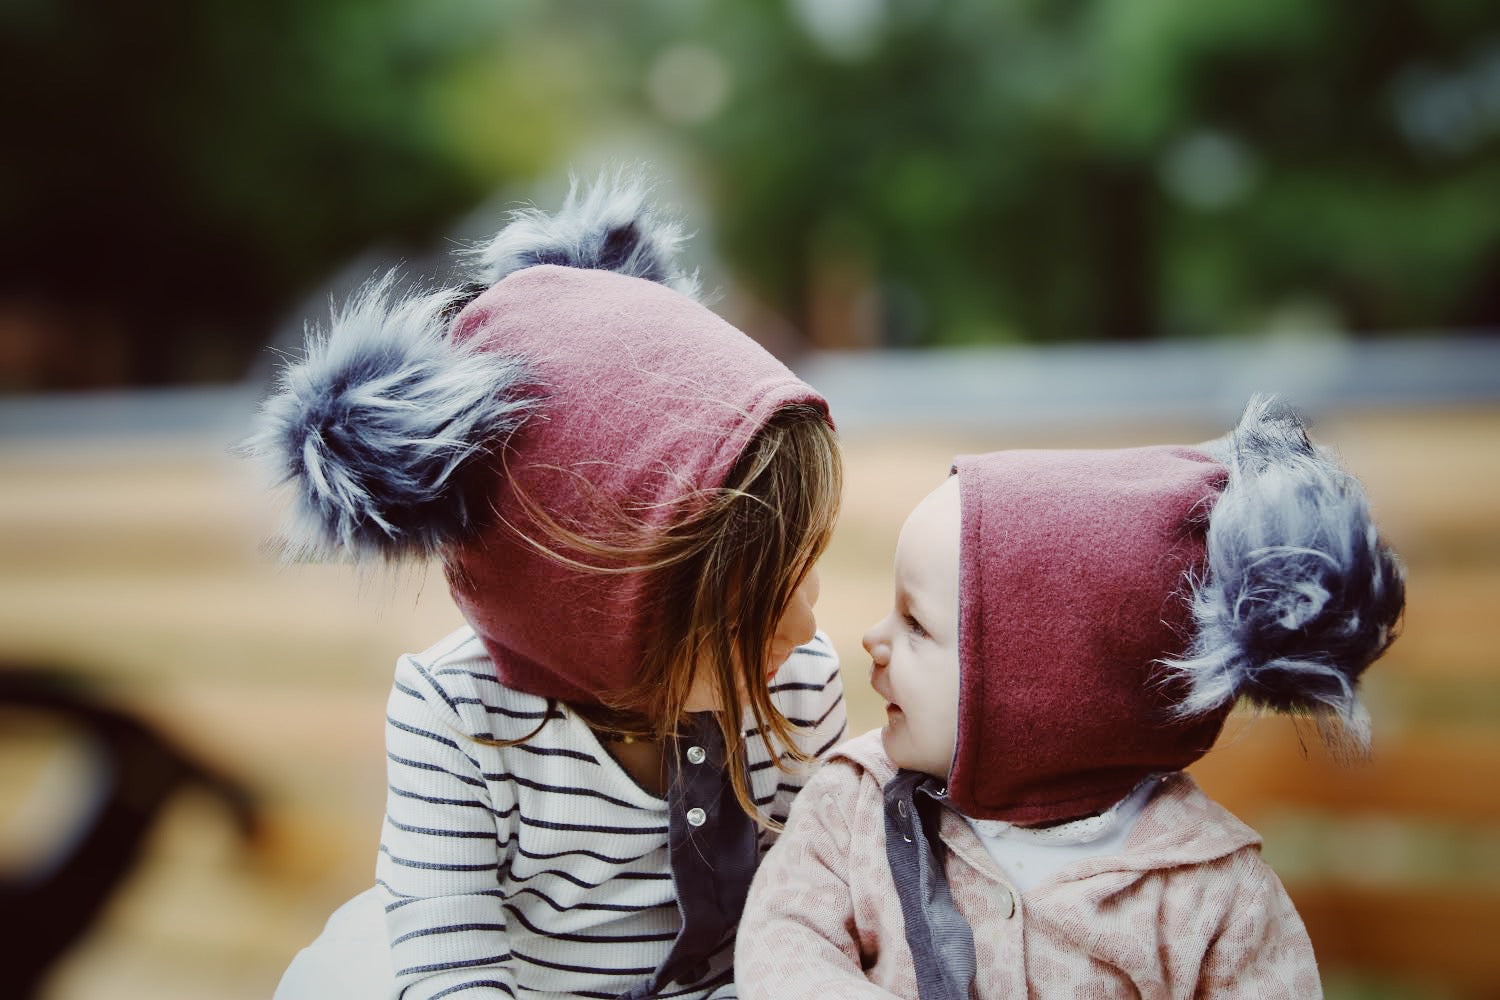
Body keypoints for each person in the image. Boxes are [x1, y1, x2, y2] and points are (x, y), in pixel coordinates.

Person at [246, 174, 848, 1000]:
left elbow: (810, 935)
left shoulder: (798, 684)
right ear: (599, 613)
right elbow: (451, 977)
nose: (807, 625)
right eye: (751, 601)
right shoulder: (455, 716)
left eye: (806, 564)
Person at [736, 397, 1405, 999]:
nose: (873, 640)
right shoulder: (852, 809)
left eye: (917, 625)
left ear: (1038, 692)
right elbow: (784, 940)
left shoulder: (1209, 898)